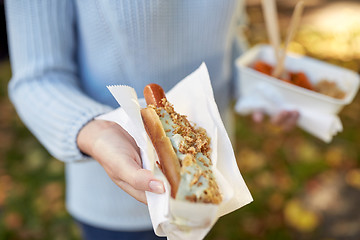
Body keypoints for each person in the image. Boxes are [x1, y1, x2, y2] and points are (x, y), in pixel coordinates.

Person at [5, 1, 298, 239]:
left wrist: (253, 87)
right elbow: (38, 78)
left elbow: (228, 31)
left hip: (214, 174)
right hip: (115, 205)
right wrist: (95, 132)